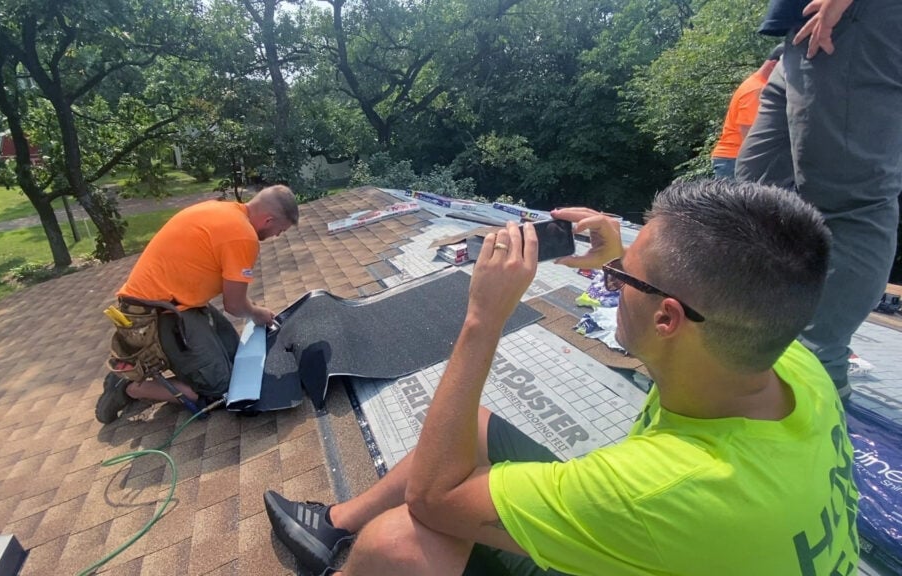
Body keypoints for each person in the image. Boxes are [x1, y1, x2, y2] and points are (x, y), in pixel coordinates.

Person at [264, 180, 859, 576]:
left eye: (624, 275)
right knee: (468, 428)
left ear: (667, 317)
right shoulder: (784, 361)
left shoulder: (659, 491)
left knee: (399, 543)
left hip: (663, 530)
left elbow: (435, 500)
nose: (610, 278)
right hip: (682, 541)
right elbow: (683, 317)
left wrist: (481, 317)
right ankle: (332, 527)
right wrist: (626, 262)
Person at [735, 0, 902, 398]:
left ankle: (819, 373)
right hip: (801, 30)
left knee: (850, 198)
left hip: (852, 20)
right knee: (757, 185)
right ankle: (767, 331)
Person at [95, 185, 298, 424]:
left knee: (238, 361)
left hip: (178, 304)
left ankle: (185, 368)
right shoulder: (242, 235)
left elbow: (231, 289)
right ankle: (128, 386)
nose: (276, 235)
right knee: (221, 391)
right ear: (269, 219)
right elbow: (233, 305)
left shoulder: (224, 211)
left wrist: (252, 309)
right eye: (279, 230)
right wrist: (256, 312)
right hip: (156, 315)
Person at [710, 44, 784, 179]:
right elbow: (750, 137)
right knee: (741, 201)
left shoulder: (757, 85)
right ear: (774, 66)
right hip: (734, 160)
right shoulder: (756, 90)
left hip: (733, 159)